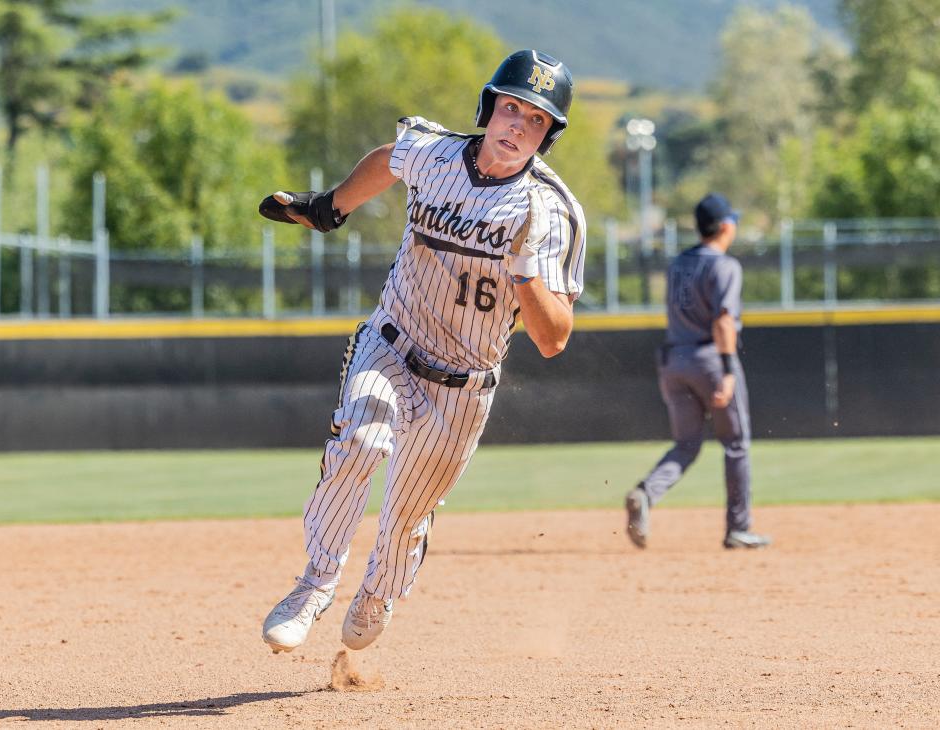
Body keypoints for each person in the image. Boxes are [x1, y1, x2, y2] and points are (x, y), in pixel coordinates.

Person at [258, 50, 586, 653]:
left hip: (463, 384)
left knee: (406, 515)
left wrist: (524, 270)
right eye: (510, 108)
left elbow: (553, 337)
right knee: (359, 441)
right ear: (490, 108)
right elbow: (390, 157)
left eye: (536, 119)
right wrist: (331, 207)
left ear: (548, 134)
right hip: (391, 341)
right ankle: (314, 582)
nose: (517, 125)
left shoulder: (551, 211)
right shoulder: (436, 154)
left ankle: (378, 592)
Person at [625, 193, 771, 550]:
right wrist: (727, 370)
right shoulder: (725, 266)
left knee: (686, 443)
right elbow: (723, 320)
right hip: (709, 358)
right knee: (736, 444)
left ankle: (646, 493)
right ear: (724, 227)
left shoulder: (679, 263)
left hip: (674, 359)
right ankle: (738, 527)